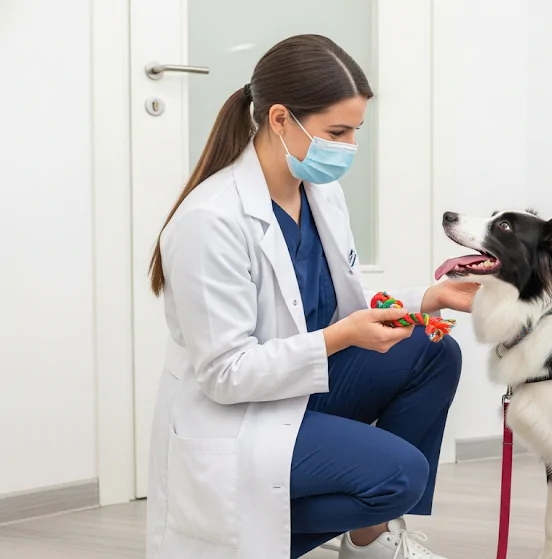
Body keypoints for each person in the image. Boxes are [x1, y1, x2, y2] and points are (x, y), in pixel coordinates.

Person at [144, 34, 476, 559]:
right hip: (240, 412)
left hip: (297, 385)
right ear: (280, 119)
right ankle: (250, 538)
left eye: (356, 131)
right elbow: (226, 373)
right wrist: (339, 337)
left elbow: (330, 299)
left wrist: (427, 299)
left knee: (433, 353)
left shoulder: (319, 192)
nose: (349, 147)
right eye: (337, 132)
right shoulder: (211, 220)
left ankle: (369, 542)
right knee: (400, 475)